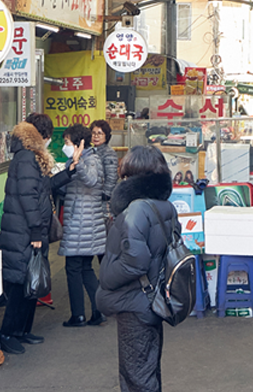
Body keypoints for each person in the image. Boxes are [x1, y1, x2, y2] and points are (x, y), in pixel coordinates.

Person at [96, 145, 179, 392]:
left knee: (136, 377)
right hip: (154, 300)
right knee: (148, 369)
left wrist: (106, 278)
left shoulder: (135, 210)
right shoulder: (164, 206)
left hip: (134, 302)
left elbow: (135, 261)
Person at [0, 120, 79, 355]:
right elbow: (28, 198)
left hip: (30, 231)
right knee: (19, 283)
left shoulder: (31, 158)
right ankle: (7, 333)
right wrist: (35, 231)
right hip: (23, 233)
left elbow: (45, 188)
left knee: (30, 283)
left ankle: (22, 330)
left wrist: (69, 173)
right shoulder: (26, 159)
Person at [59, 124, 107, 327]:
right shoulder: (78, 160)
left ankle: (78, 315)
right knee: (85, 267)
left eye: (68, 142)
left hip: (82, 222)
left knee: (73, 268)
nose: (65, 146)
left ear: (79, 143)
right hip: (82, 222)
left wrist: (77, 162)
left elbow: (91, 180)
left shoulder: (91, 159)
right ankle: (98, 311)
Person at [90, 119, 119, 217]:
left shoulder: (109, 153)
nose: (96, 136)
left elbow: (112, 176)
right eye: (93, 133)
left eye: (100, 133)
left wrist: (105, 195)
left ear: (106, 136)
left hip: (104, 200)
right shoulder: (91, 151)